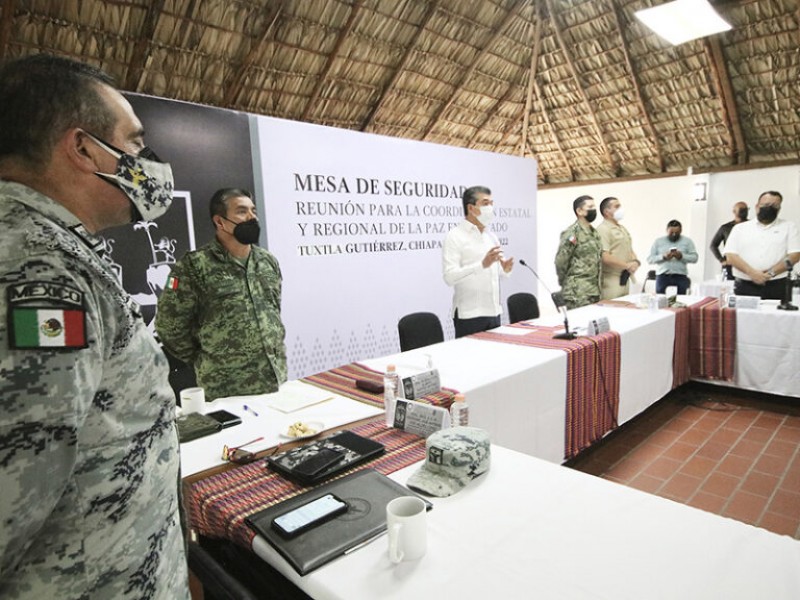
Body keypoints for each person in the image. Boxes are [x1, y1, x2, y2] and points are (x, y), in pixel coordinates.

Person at [0, 55, 189, 598]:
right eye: (132, 142)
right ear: (83, 148)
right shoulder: (37, 270)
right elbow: (16, 482)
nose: (144, 160)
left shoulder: (56, 251)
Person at [156, 188, 287, 400]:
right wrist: (206, 358)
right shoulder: (195, 266)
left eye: (253, 211)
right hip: (226, 388)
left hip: (275, 380)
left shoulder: (267, 262)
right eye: (242, 211)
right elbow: (169, 327)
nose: (252, 217)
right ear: (220, 222)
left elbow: (273, 312)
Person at [443, 185, 514, 337]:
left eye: (492, 203)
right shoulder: (455, 236)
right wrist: (481, 265)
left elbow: (497, 272)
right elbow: (449, 277)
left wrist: (505, 269)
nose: (491, 207)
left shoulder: (491, 237)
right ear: (471, 208)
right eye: (486, 203)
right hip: (469, 316)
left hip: (494, 312)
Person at [723, 191, 800, 300]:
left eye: (774, 206)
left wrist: (770, 273)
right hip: (745, 286)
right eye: (766, 204)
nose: (770, 208)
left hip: (777, 286)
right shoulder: (740, 229)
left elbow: (794, 255)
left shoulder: (789, 227)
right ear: (757, 206)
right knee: (743, 316)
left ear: (779, 208)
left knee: (778, 316)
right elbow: (730, 256)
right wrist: (752, 273)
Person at [554, 195, 602, 309]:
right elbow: (560, 262)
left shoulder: (594, 233)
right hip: (577, 293)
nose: (593, 210)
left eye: (594, 206)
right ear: (579, 211)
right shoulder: (572, 233)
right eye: (590, 207)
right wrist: (565, 283)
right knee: (580, 325)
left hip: (593, 291)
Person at [597, 196, 640, 300]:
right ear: (606, 212)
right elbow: (605, 256)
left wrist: (635, 262)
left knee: (624, 310)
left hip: (625, 278)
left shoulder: (622, 228)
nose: (621, 209)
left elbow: (629, 249)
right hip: (611, 280)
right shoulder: (602, 229)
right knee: (613, 310)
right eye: (617, 206)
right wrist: (627, 265)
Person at [647, 220, 698, 294]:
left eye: (677, 233)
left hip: (680, 275)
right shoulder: (658, 242)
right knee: (660, 300)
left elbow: (695, 258)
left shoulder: (688, 242)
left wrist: (682, 256)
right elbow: (650, 259)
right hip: (663, 276)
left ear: (681, 231)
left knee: (682, 300)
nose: (674, 235)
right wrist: (663, 257)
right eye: (671, 233)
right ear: (666, 230)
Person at [710, 201, 749, 280]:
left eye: (746, 209)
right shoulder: (726, 228)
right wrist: (721, 260)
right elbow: (713, 245)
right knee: (729, 287)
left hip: (749, 264)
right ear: (734, 211)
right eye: (741, 209)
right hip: (730, 264)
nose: (744, 211)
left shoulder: (753, 226)